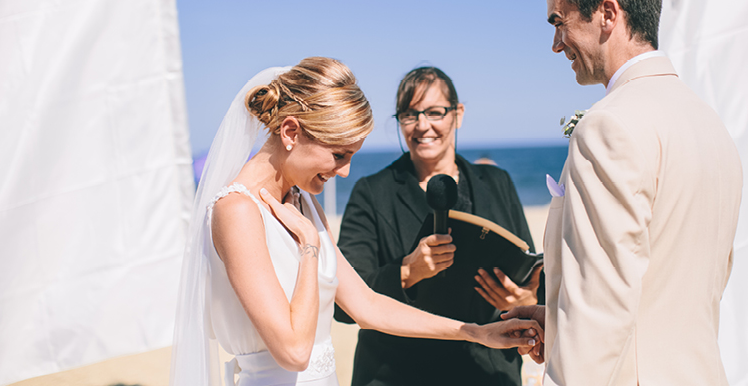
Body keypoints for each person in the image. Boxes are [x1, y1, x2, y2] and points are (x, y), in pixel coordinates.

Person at [169, 58, 542, 386]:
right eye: (338, 154)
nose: (345, 172)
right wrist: (310, 249)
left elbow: (368, 306)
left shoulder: (303, 201)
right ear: (291, 132)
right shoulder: (236, 211)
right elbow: (294, 352)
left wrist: (476, 332)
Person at [504, 0, 743, 386]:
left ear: (608, 14)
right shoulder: (711, 126)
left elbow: (602, 298)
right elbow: (681, 283)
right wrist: (557, 319)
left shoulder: (608, 126)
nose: (556, 44)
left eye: (560, 22)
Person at [336, 67, 542, 386]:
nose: (422, 126)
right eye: (409, 115)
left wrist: (524, 301)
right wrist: (407, 271)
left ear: (457, 115)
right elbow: (344, 308)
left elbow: (529, 271)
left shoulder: (496, 182)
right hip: (398, 372)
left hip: (488, 373)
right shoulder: (371, 192)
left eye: (434, 112)